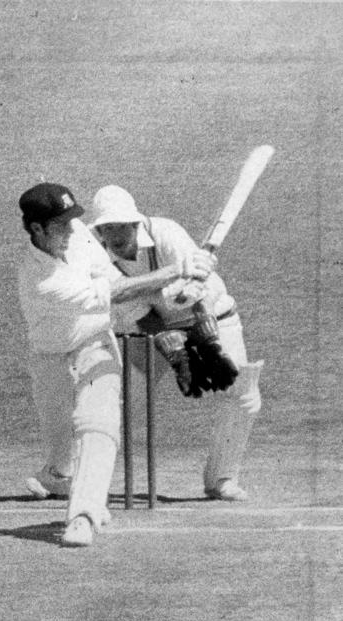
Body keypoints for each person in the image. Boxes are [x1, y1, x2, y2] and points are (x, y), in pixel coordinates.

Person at [17, 182, 212, 546]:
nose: (70, 230)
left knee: (98, 424)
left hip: (94, 343)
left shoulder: (77, 235)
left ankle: (83, 516)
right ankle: (60, 474)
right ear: (37, 230)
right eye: (59, 226)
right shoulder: (38, 278)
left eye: (71, 220)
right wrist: (175, 271)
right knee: (63, 448)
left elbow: (112, 278)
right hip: (51, 355)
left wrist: (176, 290)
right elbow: (115, 293)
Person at [88, 184, 264, 501]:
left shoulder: (166, 233)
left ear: (135, 223)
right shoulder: (96, 257)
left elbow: (201, 287)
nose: (115, 234)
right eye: (107, 227)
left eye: (121, 225)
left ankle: (221, 478)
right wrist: (173, 347)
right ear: (98, 229)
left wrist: (207, 337)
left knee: (242, 394)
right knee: (116, 403)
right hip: (148, 326)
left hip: (211, 315)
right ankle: (78, 477)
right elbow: (130, 306)